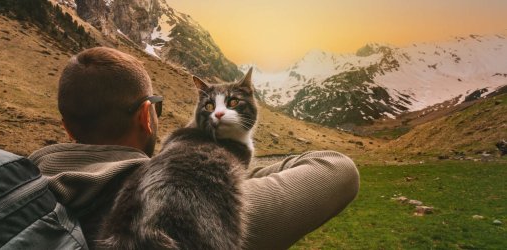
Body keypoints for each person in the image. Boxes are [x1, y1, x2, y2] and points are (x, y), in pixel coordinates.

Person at [29, 47, 359, 250]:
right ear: (147, 116)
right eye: (155, 106)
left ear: (67, 127)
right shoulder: (178, 203)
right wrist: (237, 174)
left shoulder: (22, 188)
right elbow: (337, 169)